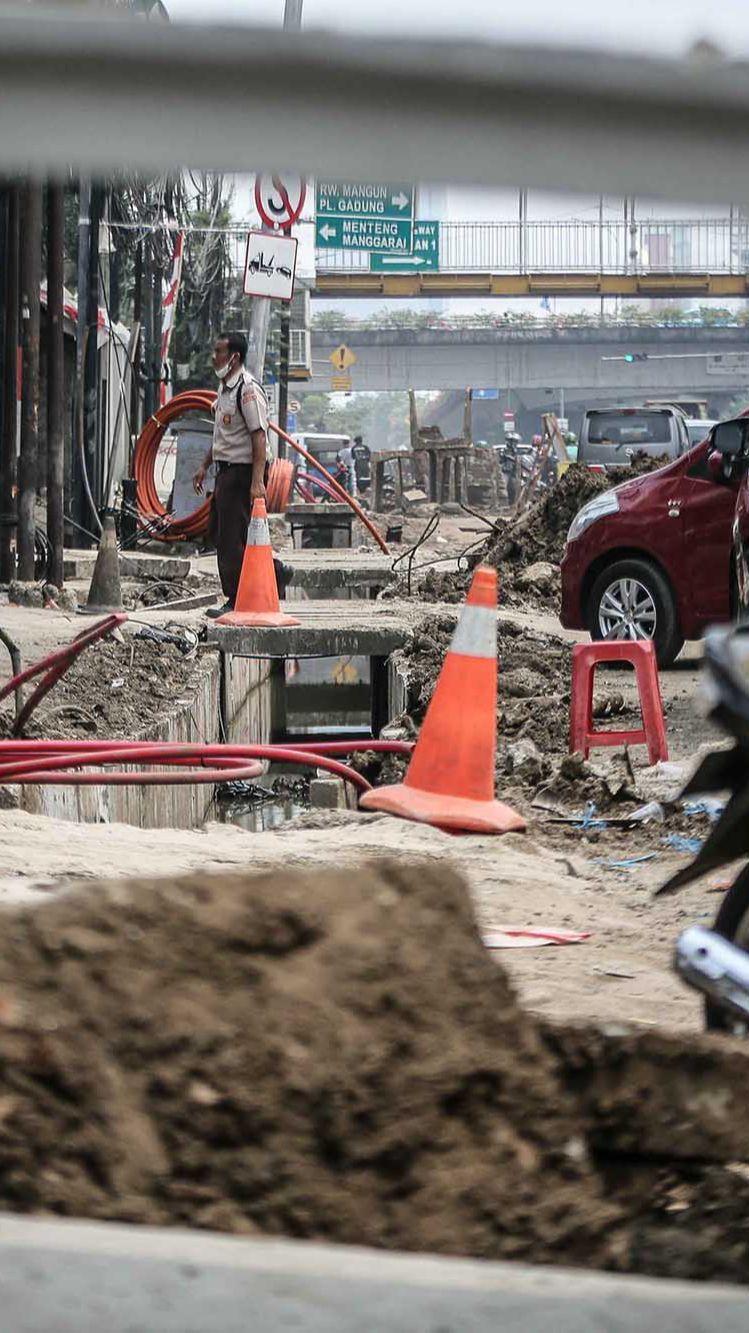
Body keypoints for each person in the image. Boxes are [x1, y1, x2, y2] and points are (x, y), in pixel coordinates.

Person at [193, 331, 291, 617]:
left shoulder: (247, 390)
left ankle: (236, 598)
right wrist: (204, 465)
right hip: (226, 470)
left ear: (234, 356)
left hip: (243, 472)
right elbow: (223, 435)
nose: (214, 357)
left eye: (219, 351)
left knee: (231, 537)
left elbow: (259, 436)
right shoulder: (225, 388)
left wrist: (258, 481)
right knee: (218, 532)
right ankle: (275, 571)